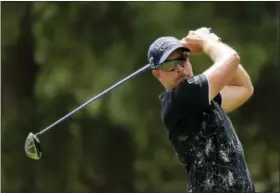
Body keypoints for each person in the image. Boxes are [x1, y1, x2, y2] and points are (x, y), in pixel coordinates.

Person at [147, 27, 255, 193]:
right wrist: (208, 42)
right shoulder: (181, 99)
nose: (179, 68)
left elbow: (244, 87)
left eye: (183, 59)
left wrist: (208, 45)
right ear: (157, 74)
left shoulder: (202, 99)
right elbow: (232, 59)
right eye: (170, 64)